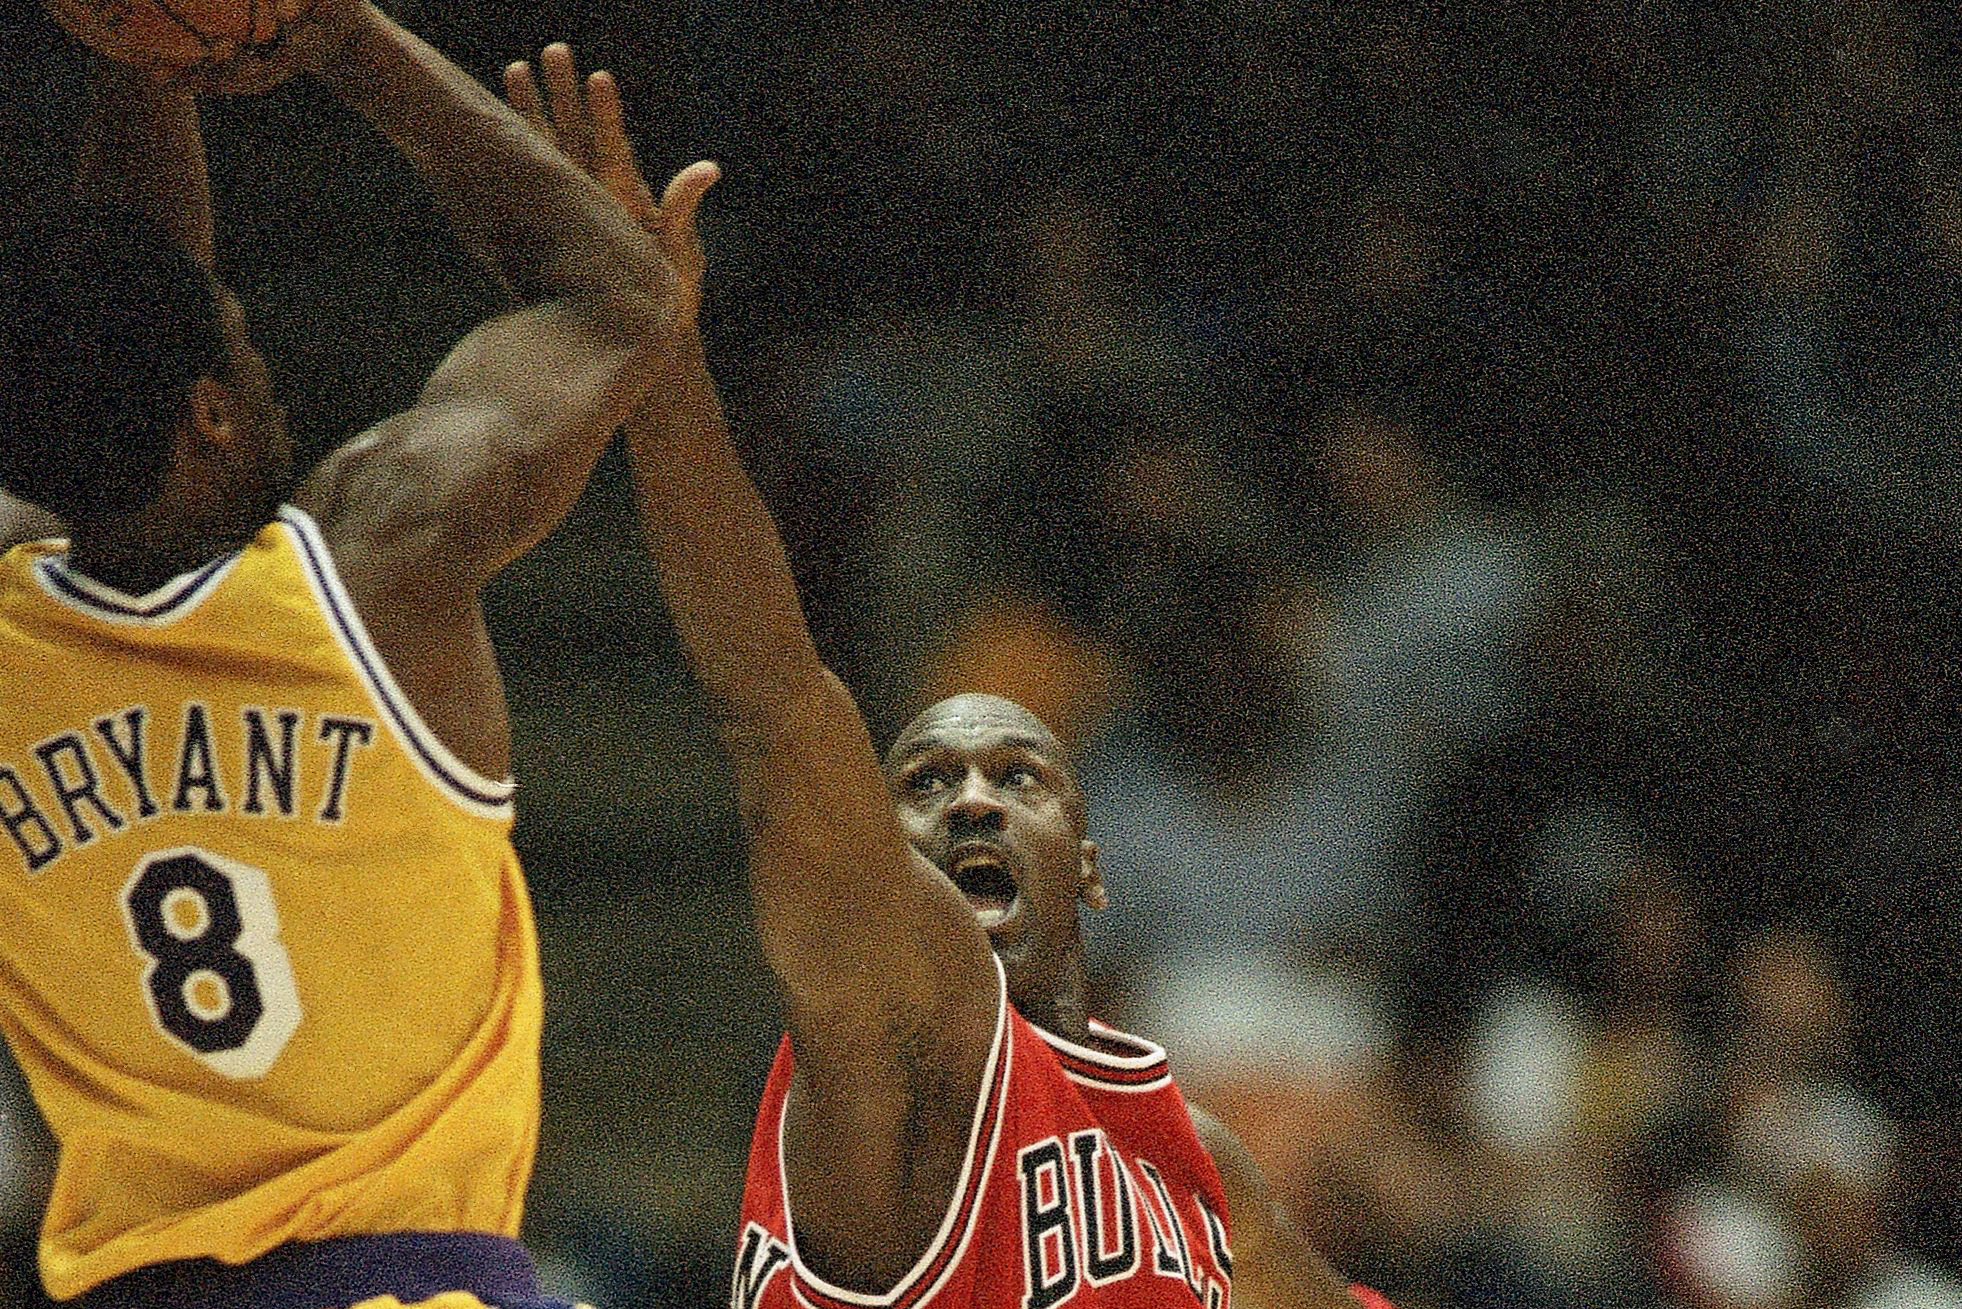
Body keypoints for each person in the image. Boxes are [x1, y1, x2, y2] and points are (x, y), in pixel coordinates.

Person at [501, 57, 1398, 1309]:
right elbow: (771, 696)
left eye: (1017, 772)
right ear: (883, 851)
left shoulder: (1201, 1171)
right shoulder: (888, 1056)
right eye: (922, 784)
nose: (971, 799)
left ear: (1089, 859)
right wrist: (662, 361)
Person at [0, 8, 713, 1306]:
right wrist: (338, 33)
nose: (267, 370)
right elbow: (621, 296)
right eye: (242, 339)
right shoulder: (380, 565)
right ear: (211, 411)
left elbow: (118, 315)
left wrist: (137, 51)